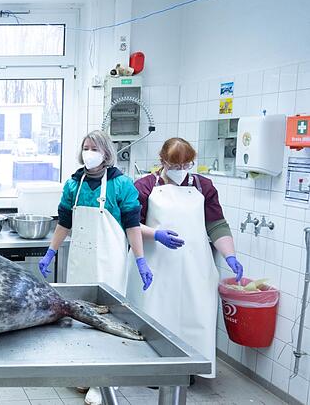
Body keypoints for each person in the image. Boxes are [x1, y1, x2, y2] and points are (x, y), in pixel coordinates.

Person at [38, 130, 150, 405]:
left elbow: (132, 226)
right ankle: (84, 373)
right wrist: (50, 252)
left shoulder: (122, 185)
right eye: (85, 147)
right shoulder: (74, 185)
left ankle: (104, 382)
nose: (89, 152)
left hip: (110, 265)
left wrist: (141, 259)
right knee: (78, 317)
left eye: (94, 148)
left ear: (106, 152)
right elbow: (64, 222)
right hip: (81, 263)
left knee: (108, 322)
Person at [130, 137, 243, 381]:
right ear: (162, 162)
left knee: (195, 315)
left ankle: (189, 368)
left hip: (195, 267)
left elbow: (216, 225)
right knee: (157, 316)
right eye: (175, 165)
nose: (181, 171)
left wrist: (230, 255)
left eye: (186, 165)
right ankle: (152, 372)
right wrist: (156, 235)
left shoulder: (204, 187)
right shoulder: (145, 186)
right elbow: (130, 225)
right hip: (156, 265)